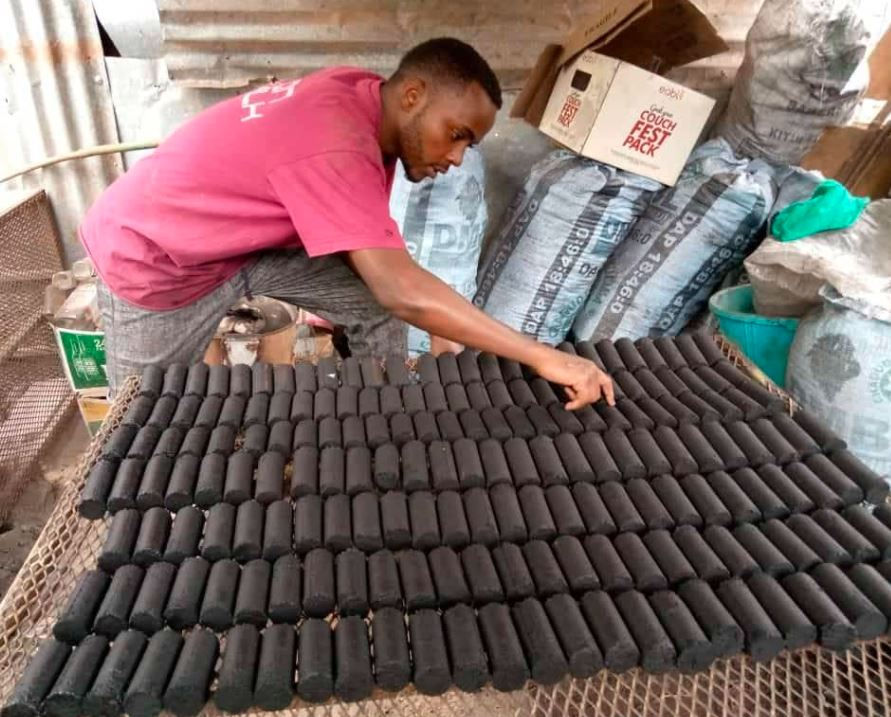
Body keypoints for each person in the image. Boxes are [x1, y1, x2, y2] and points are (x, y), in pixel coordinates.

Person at [80, 37, 614, 408]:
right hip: (154, 256)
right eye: (456, 133)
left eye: (468, 144)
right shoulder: (337, 141)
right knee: (143, 425)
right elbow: (400, 287)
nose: (456, 158)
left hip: (240, 247)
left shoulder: (360, 95)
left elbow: (381, 268)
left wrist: (440, 327)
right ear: (412, 96)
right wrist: (543, 356)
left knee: (373, 306)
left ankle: (377, 415)